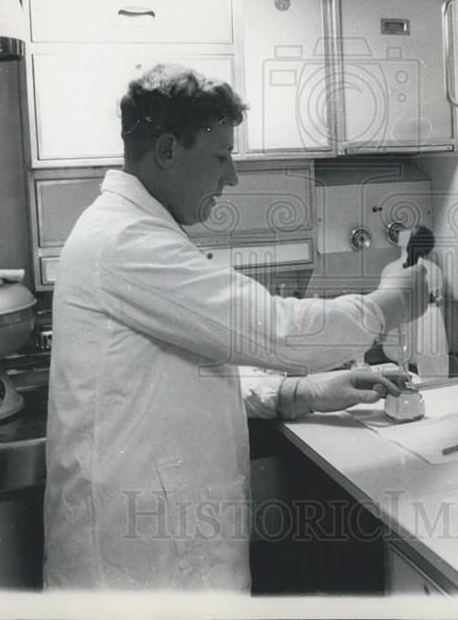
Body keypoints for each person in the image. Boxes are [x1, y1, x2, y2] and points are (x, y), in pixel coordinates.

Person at [43, 64, 429, 592]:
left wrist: (296, 393)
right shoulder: (127, 243)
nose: (231, 177)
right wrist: (389, 303)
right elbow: (274, 330)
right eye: (221, 157)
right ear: (167, 151)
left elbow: (172, 371)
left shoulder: (128, 232)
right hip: (143, 566)